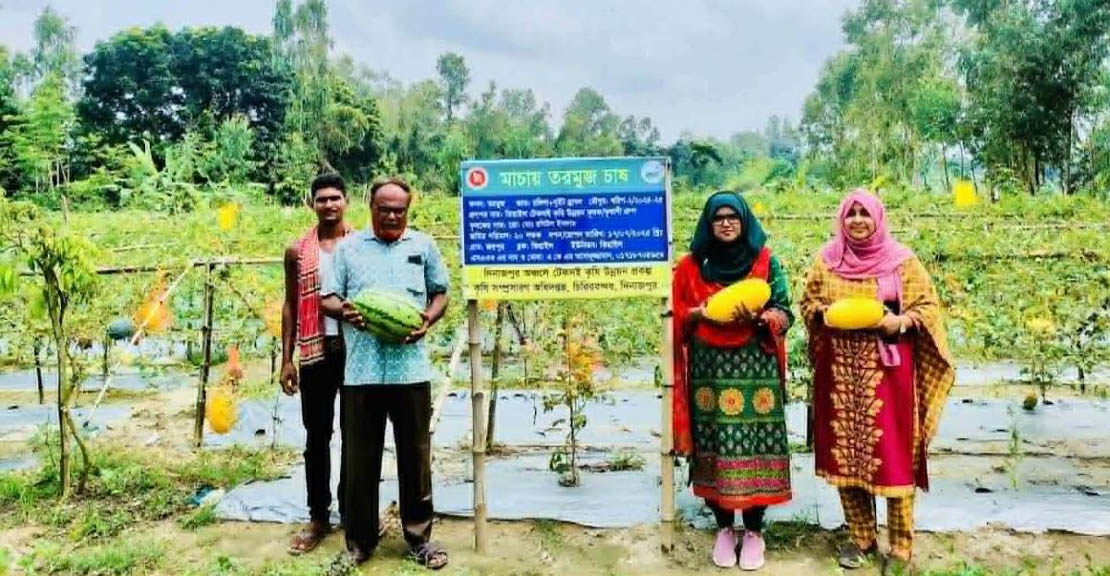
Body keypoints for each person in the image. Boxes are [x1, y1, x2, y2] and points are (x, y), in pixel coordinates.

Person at [800, 189, 954, 576]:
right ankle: (862, 538)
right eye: (850, 214)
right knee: (846, 456)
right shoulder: (827, 260)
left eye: (864, 213)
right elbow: (807, 303)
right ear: (841, 219)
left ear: (878, 218)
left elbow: (927, 307)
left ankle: (901, 548)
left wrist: (899, 322)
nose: (857, 220)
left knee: (894, 458)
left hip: (888, 375)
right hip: (839, 374)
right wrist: (823, 314)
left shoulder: (901, 261)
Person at [321, 177, 450, 569]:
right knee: (359, 461)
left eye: (399, 210)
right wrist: (345, 311)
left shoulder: (423, 246)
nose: (392, 216)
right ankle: (360, 542)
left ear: (407, 210)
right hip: (362, 371)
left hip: (411, 370)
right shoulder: (348, 249)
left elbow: (440, 292)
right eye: (384, 209)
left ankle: (419, 538)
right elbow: (327, 298)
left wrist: (427, 319)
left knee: (415, 458)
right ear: (370, 207)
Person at [672, 191, 794, 571]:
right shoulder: (690, 267)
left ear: (745, 221)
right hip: (709, 372)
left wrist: (762, 318)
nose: (726, 223)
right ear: (708, 224)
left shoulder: (765, 261)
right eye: (718, 218)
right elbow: (676, 314)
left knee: (755, 442)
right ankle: (724, 528)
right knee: (715, 444)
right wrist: (698, 313)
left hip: (755, 371)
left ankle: (754, 531)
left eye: (733, 217)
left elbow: (785, 311)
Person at [281, 172, 351, 555]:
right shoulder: (297, 252)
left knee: (356, 435)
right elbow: (291, 305)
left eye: (334, 198)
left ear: (346, 202)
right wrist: (286, 359)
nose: (328, 204)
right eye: (321, 199)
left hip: (355, 351)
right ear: (312, 204)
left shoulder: (361, 246)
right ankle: (319, 517)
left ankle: (353, 512)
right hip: (314, 351)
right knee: (317, 437)